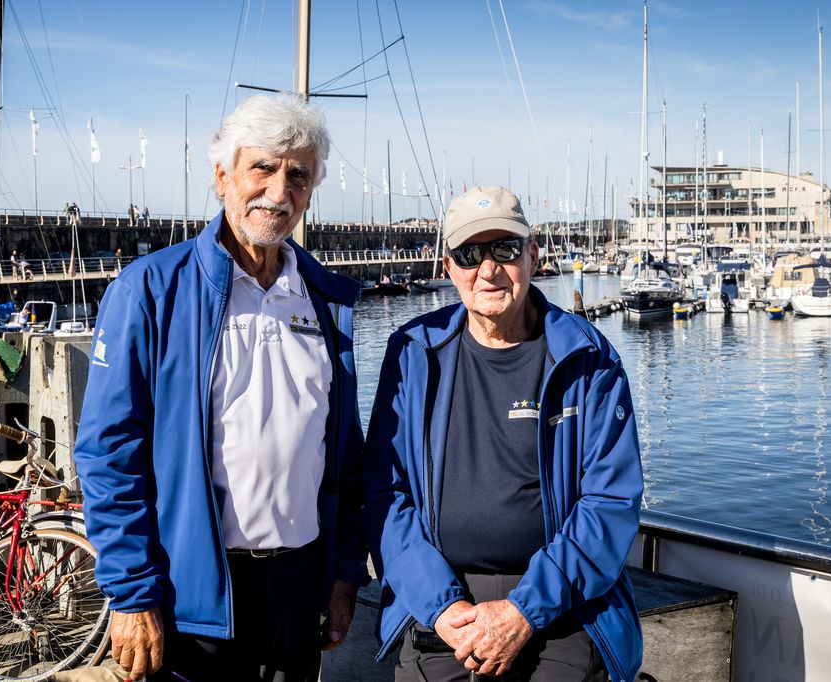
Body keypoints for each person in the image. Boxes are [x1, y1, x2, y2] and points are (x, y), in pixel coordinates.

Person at [73, 93, 368, 682]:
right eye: (263, 167)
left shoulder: (327, 300)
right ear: (221, 175)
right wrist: (132, 595)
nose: (279, 191)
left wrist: (343, 575)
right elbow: (108, 455)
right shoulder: (149, 292)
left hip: (298, 587)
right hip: (193, 594)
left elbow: (345, 454)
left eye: (298, 175)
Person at [364, 186, 644, 681]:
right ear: (448, 267)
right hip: (442, 609)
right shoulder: (412, 355)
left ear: (533, 257)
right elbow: (386, 494)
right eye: (469, 254)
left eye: (505, 250)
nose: (488, 269)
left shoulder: (589, 359)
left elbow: (610, 503)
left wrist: (522, 612)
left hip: (562, 609)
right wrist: (441, 608)